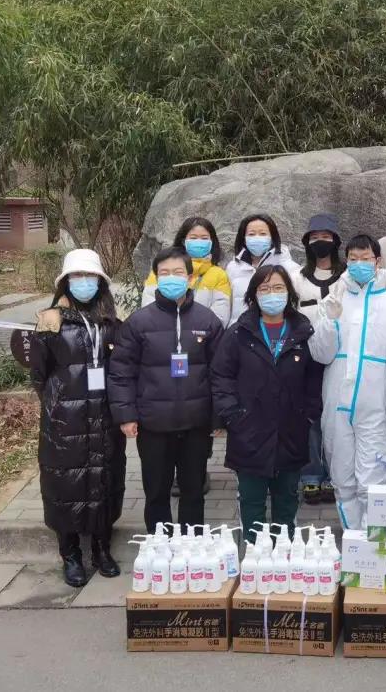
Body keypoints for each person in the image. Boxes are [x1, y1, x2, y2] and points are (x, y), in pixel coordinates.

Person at [108, 246, 224, 533]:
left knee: (193, 492)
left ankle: (191, 545)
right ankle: (159, 546)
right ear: (156, 278)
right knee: (156, 492)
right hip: (153, 425)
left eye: (178, 272)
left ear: (190, 277)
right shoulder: (139, 322)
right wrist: (126, 415)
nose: (171, 278)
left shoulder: (207, 321)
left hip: (196, 424)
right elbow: (121, 372)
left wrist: (218, 417)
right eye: (165, 273)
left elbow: (220, 373)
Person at [30, 249, 125, 588]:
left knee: (104, 478)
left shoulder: (112, 321)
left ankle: (101, 548)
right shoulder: (50, 320)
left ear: (100, 282)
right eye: (77, 277)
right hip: (64, 420)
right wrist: (57, 404)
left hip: (106, 415)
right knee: (64, 483)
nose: (84, 282)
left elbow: (122, 369)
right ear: (66, 282)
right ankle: (70, 554)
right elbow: (38, 373)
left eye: (90, 277)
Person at [211, 265, 322, 538]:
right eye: (265, 288)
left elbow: (314, 379)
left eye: (278, 288)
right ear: (254, 295)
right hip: (248, 433)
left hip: (291, 431)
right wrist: (232, 415)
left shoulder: (303, 332)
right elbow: (221, 376)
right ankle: (253, 554)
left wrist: (308, 414)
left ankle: (284, 554)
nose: (272, 294)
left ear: (289, 293)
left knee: (287, 502)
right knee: (252, 503)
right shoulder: (239, 333)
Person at [309, 235, 386, 529]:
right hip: (338, 403)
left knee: (373, 478)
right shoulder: (333, 300)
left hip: (376, 406)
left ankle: (372, 542)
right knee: (342, 477)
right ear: (346, 261)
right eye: (353, 259)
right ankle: (353, 537)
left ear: (378, 261)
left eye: (366, 259)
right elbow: (320, 354)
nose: (359, 264)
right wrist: (330, 321)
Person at [292, 214, 346, 506]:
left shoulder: (347, 277)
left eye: (326, 237)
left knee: (336, 416)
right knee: (311, 415)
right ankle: (311, 473)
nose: (320, 242)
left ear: (336, 241)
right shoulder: (298, 278)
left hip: (341, 355)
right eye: (314, 238)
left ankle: (335, 475)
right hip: (307, 355)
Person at [142, 216, 232, 326]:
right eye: (193, 238)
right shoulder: (162, 270)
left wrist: (190, 332)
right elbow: (148, 307)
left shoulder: (219, 275)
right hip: (162, 333)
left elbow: (219, 318)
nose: (199, 242)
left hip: (201, 335)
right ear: (184, 241)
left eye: (204, 238)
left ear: (212, 242)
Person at [225, 214, 302, 325]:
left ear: (272, 237)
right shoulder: (233, 267)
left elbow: (296, 304)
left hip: (278, 330)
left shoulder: (290, 268)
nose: (257, 238)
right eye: (251, 234)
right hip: (240, 331)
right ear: (244, 238)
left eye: (263, 234)